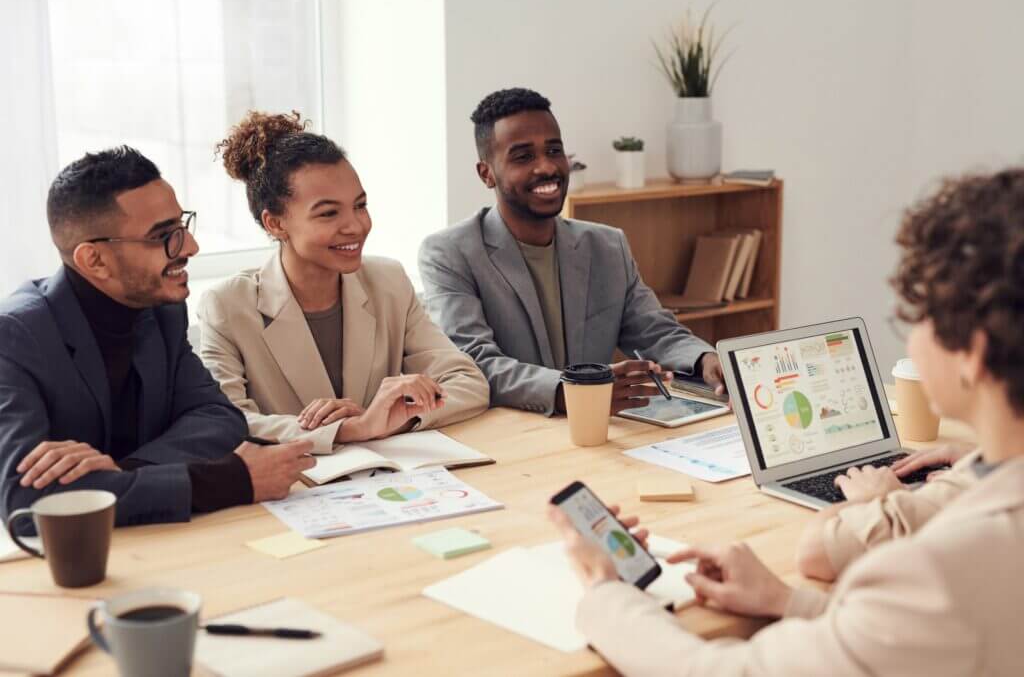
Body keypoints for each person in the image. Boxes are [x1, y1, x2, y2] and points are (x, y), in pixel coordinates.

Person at [551, 169, 1024, 675]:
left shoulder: (935, 571)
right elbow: (928, 644)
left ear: (972, 353)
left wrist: (604, 591)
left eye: (919, 315)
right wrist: (787, 602)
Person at [0, 147, 315, 531]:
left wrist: (120, 471)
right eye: (164, 236)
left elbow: (218, 418)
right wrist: (227, 480)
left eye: (182, 226)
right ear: (94, 261)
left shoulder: (163, 310)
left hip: (157, 540)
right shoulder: (14, 337)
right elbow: (24, 504)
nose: (190, 248)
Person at [418, 88, 724, 416]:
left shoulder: (608, 246)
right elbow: (476, 362)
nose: (546, 167)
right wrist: (576, 392)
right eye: (523, 157)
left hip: (598, 435)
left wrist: (705, 359)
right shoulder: (449, 254)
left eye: (554, 150)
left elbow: (654, 329)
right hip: (513, 439)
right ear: (486, 173)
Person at [198, 112, 489, 453]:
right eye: (328, 213)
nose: (356, 226)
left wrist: (396, 417)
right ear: (275, 223)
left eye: (360, 206)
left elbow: (469, 383)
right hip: (295, 490)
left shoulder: (388, 282)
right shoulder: (228, 305)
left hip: (393, 481)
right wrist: (352, 429)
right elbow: (225, 421)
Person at [795, 441, 974, 581]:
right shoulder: (986, 470)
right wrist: (977, 458)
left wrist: (876, 499)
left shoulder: (962, 492)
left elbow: (812, 553)